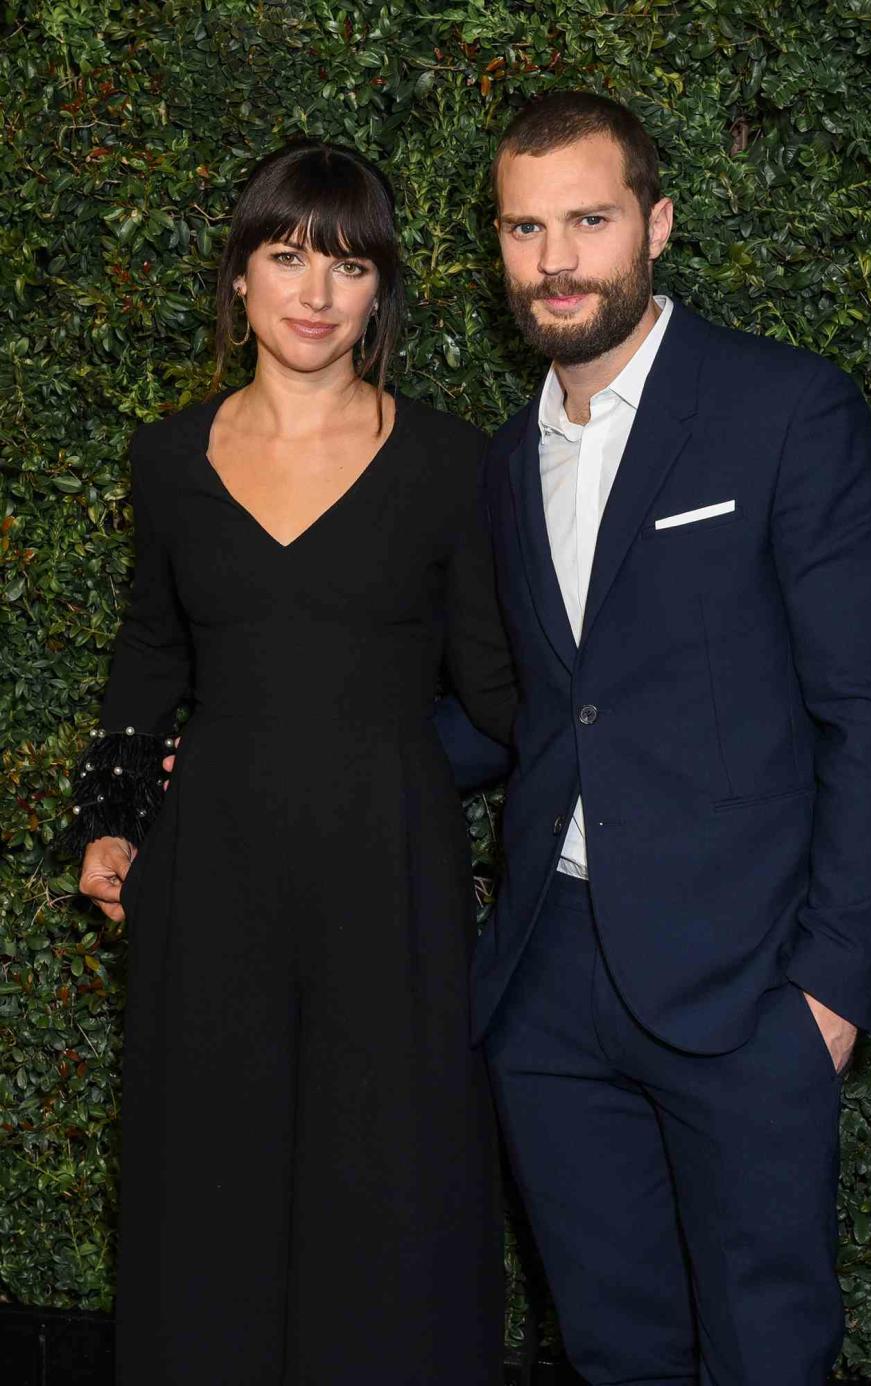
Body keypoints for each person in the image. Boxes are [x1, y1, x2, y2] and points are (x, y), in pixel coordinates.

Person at [439, 91, 871, 1385]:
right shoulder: (504, 462)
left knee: (770, 1353)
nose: (555, 260)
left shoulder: (783, 409)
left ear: (656, 223)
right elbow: (527, 711)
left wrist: (830, 986)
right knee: (612, 1348)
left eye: (588, 221)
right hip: (549, 985)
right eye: (525, 228)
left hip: (749, 983)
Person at [61, 138, 515, 1386]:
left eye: (349, 264)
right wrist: (110, 826)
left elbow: (501, 694)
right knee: (208, 1174)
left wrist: (399, 778)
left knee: (396, 1183)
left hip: (393, 879)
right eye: (287, 255)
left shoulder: (451, 462)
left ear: (382, 292)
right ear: (242, 277)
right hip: (209, 877)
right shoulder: (167, 458)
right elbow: (148, 658)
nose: (316, 293)